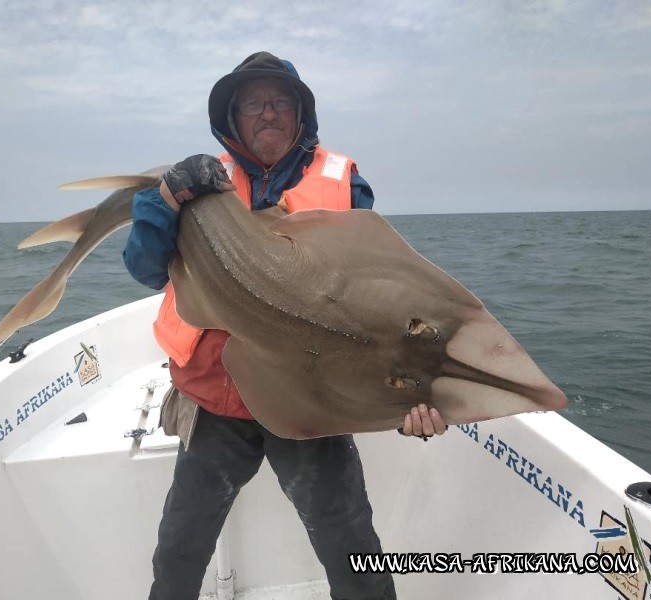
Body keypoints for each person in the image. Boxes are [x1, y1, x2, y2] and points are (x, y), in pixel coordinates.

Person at [123, 51, 446, 600]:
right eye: (253, 102)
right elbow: (145, 270)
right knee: (179, 548)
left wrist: (417, 390)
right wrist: (165, 199)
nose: (267, 113)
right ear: (232, 116)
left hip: (308, 400)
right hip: (215, 400)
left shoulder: (344, 182)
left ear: (301, 115)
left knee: (351, 545)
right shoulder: (196, 183)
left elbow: (381, 293)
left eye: (280, 101)